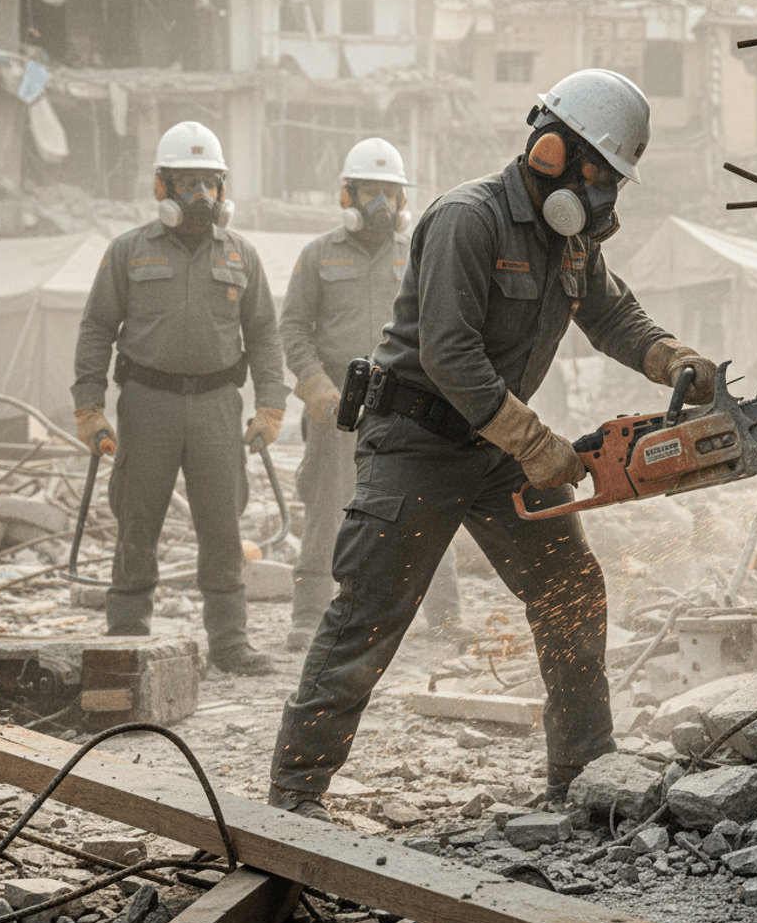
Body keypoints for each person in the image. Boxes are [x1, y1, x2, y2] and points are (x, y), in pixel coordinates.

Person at [268, 69, 717, 819]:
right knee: (369, 615)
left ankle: (582, 773)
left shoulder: (569, 242)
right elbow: (449, 353)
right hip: (416, 439)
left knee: (571, 588)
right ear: (553, 151)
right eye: (601, 175)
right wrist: (534, 442)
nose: (605, 195)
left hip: (494, 448)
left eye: (614, 181)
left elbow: (611, 315)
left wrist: (671, 357)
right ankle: (292, 796)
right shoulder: (466, 219)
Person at [72, 121, 288, 676]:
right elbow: (97, 328)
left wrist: (270, 405)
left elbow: (264, 333)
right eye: (187, 183)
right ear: (161, 187)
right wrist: (88, 406)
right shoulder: (127, 252)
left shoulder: (242, 254)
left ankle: (229, 644)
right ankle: (126, 636)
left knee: (222, 525)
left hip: (218, 406)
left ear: (222, 189)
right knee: (136, 522)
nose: (200, 197)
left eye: (209, 184)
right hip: (147, 405)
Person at [279, 137, 466, 651]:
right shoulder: (317, 255)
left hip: (408, 399)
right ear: (348, 196)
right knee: (326, 506)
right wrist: (315, 385)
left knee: (425, 504)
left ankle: (446, 616)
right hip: (337, 401)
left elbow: (443, 326)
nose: (380, 205)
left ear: (403, 201)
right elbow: (292, 328)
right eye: (369, 193)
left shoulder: (421, 254)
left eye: (389, 193)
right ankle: (306, 615)